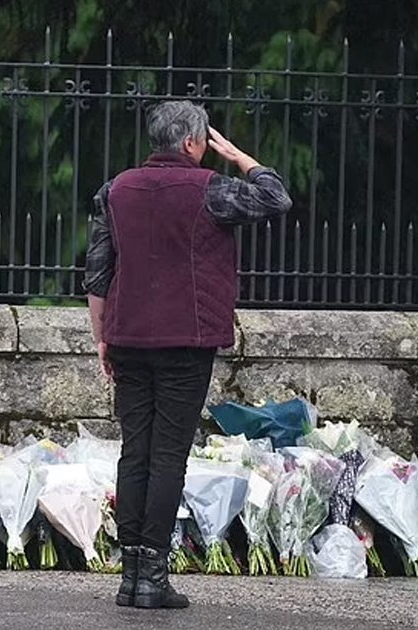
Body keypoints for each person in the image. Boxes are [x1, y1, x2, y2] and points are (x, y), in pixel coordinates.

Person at [82, 100, 292, 610]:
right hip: (186, 340)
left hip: (128, 336)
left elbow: (97, 271)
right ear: (194, 143)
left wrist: (102, 336)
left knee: (136, 451)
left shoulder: (116, 190)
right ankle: (153, 575)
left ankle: (130, 576)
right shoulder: (211, 190)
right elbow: (276, 197)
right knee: (168, 454)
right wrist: (240, 155)